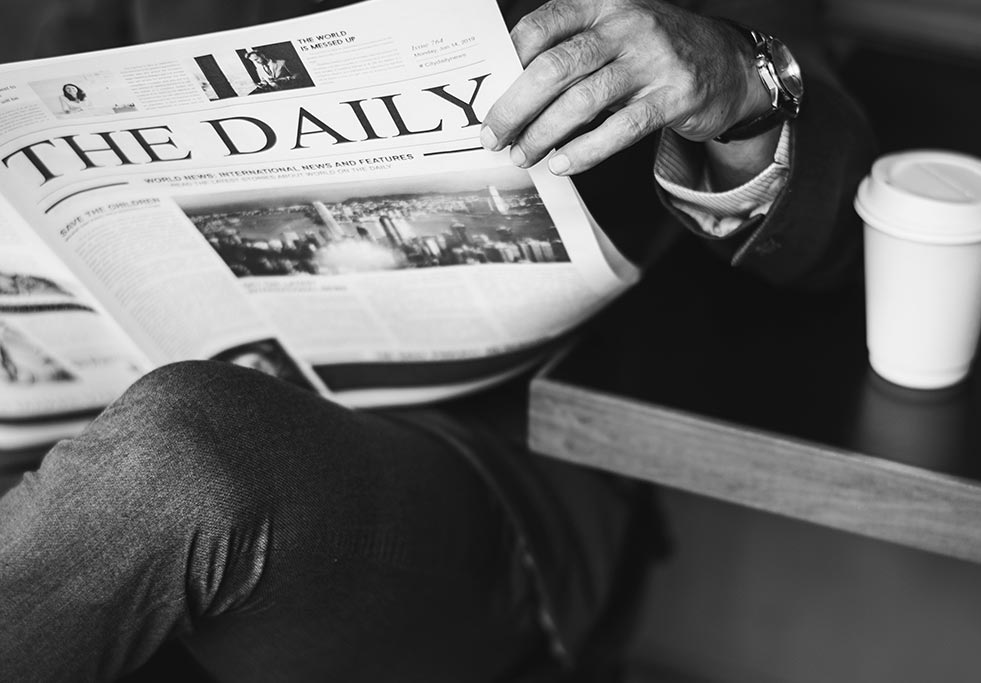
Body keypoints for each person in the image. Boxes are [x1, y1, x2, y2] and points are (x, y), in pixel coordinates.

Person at [0, 0, 875, 681]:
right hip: (77, 390)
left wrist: (738, 79)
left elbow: (838, 221)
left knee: (172, 463)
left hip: (479, 450)